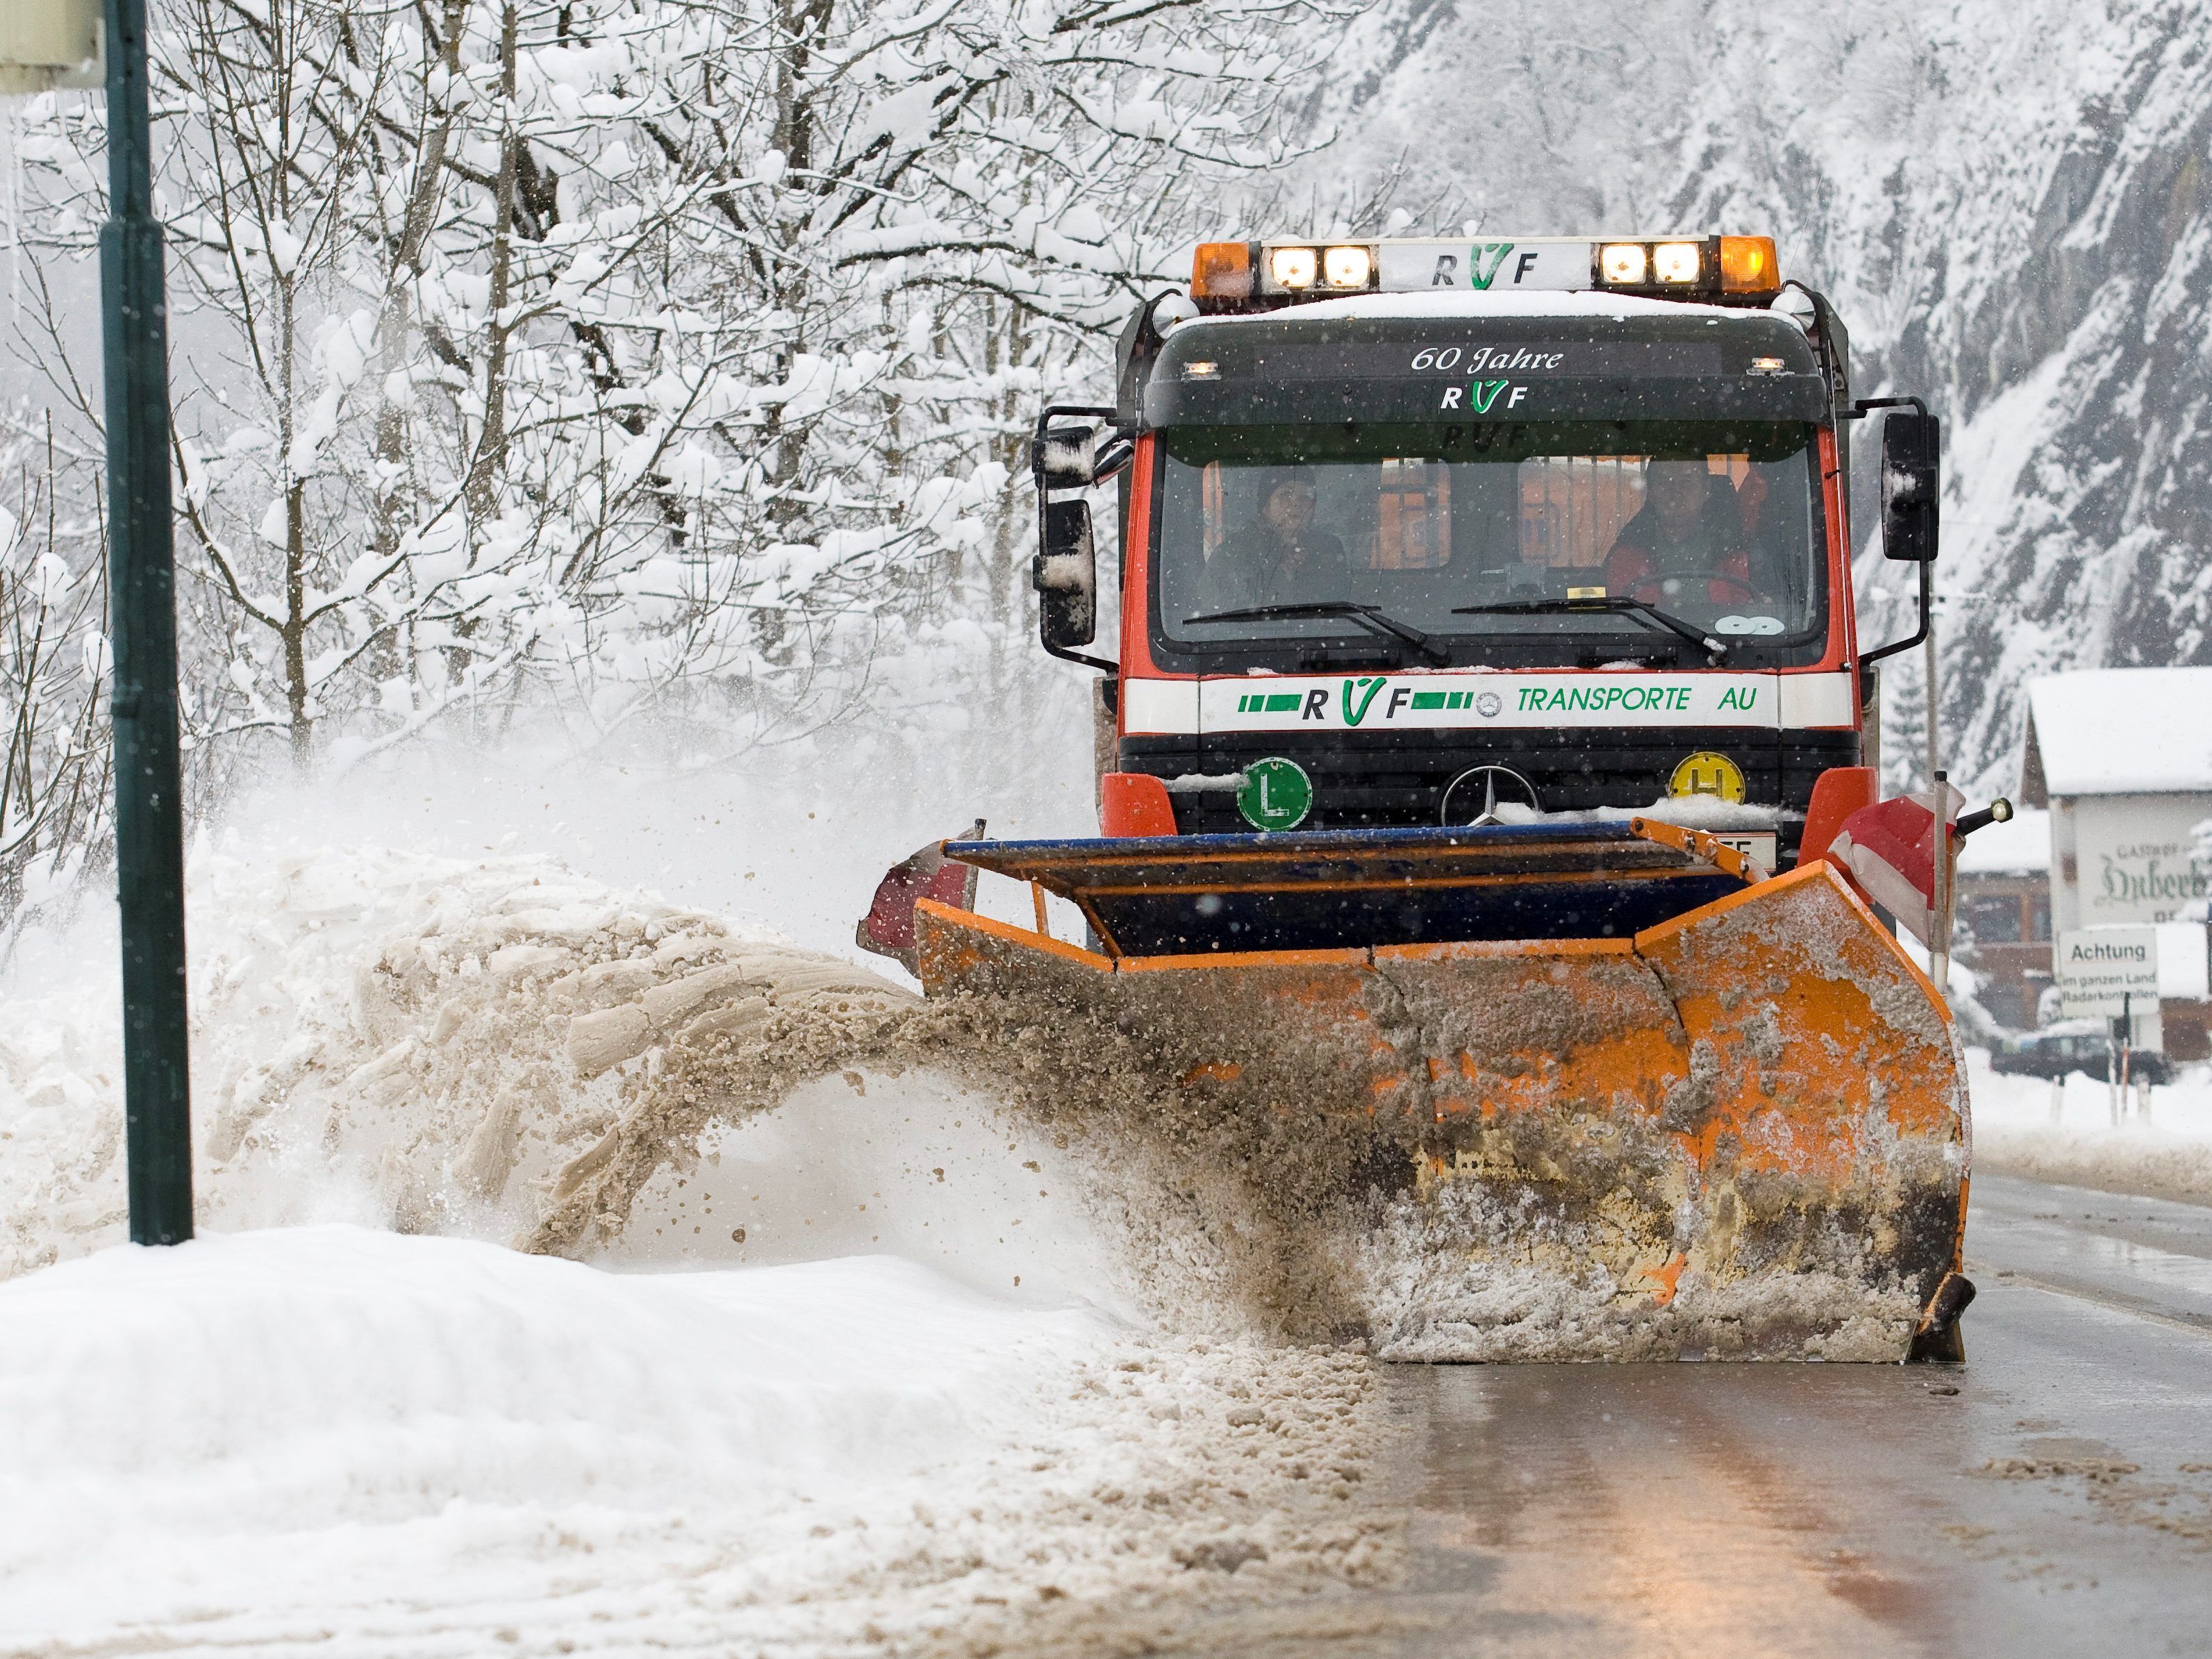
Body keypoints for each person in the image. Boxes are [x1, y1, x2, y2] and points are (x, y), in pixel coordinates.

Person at [1601, 459, 1765, 608]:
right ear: (1649, 492)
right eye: (1664, 482)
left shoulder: (1742, 557)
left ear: (1706, 490)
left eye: (1687, 483)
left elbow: (1753, 622)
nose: (1676, 493)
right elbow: (1623, 626)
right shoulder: (1625, 558)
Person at [1194, 469, 1349, 617]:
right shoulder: (1234, 552)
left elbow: (1335, 609)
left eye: (1304, 497)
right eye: (1285, 495)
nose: (1295, 504)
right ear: (1265, 506)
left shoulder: (1328, 549)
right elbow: (1219, 617)